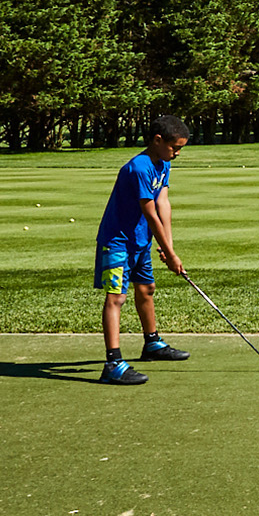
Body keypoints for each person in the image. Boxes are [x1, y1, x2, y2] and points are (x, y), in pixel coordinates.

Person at [94, 114, 193, 385]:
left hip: (140, 242)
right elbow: (149, 212)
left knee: (147, 289)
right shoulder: (139, 167)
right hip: (117, 243)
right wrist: (170, 255)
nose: (178, 153)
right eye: (175, 147)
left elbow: (163, 203)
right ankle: (113, 363)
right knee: (116, 297)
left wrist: (168, 247)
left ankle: (152, 344)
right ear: (157, 140)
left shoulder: (163, 163)